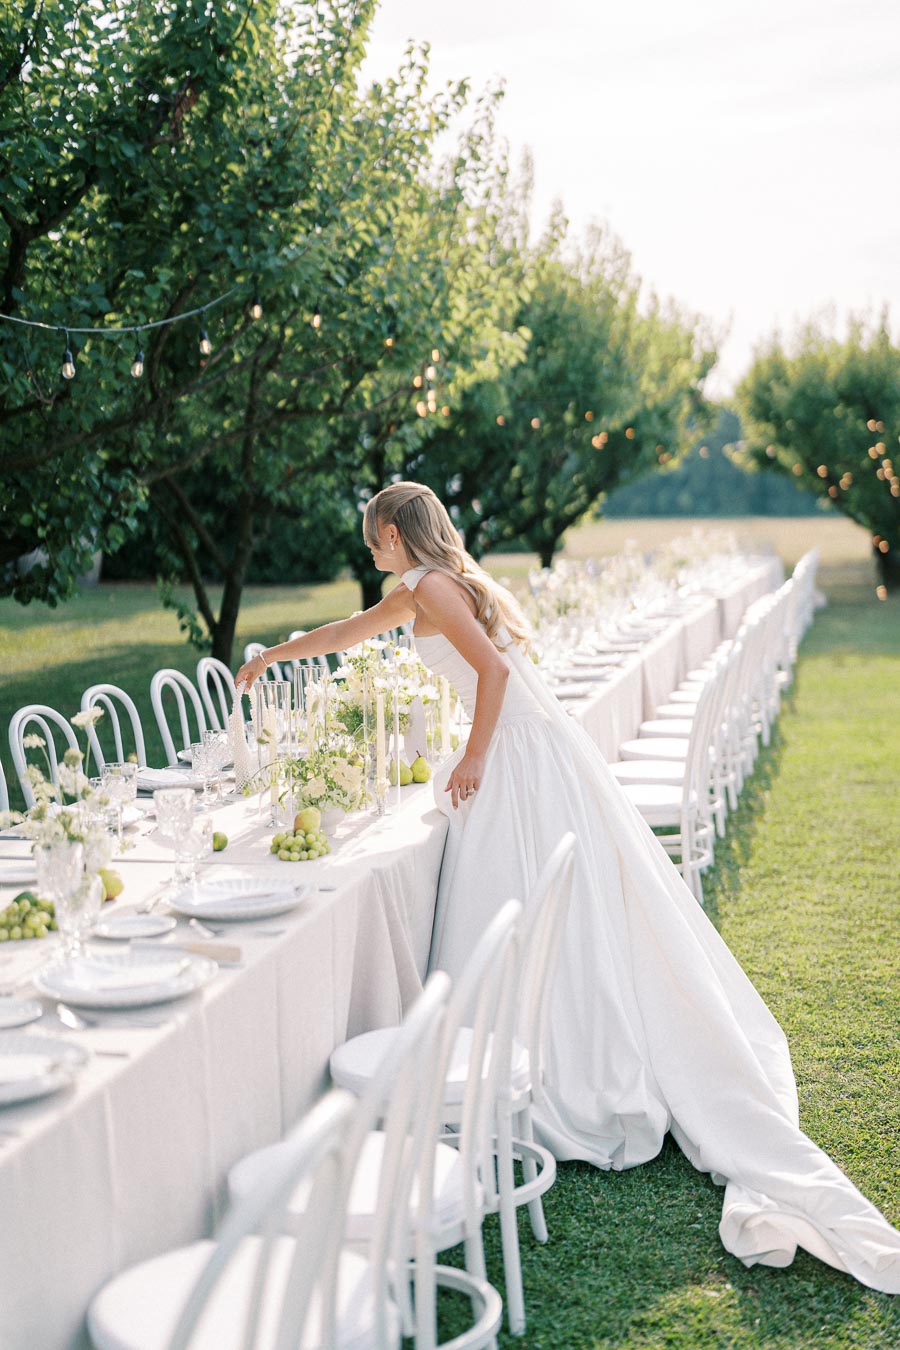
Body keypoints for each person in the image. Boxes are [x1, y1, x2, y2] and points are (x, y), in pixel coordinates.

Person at [235, 480, 900, 1293]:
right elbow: (351, 631)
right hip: (524, 753)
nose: (371, 549)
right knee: (529, 909)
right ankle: (517, 1060)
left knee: (511, 905)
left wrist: (474, 756)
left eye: (376, 537)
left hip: (514, 760)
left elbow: (492, 674)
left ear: (401, 537)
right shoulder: (420, 588)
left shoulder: (436, 587)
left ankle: (544, 1068)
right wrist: (275, 655)